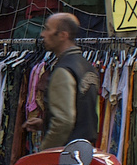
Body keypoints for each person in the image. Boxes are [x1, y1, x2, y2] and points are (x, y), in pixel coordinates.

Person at [28, 12, 100, 149]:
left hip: (66, 158)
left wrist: (44, 153)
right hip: (84, 155)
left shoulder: (64, 69)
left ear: (63, 35)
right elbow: (82, 113)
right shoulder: (87, 66)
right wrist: (45, 123)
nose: (43, 34)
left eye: (48, 29)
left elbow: (63, 122)